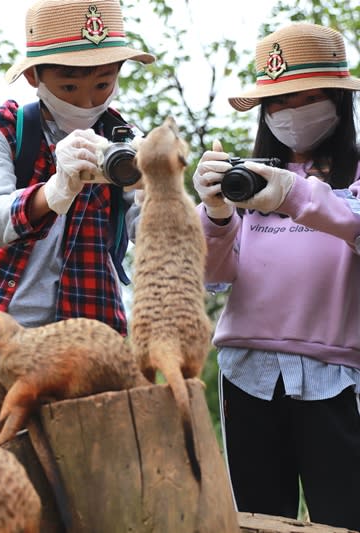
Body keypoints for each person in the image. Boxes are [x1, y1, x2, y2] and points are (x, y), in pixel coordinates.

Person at [192, 23, 360, 530]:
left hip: (335, 373)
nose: (292, 112)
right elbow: (213, 277)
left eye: (309, 98)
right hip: (249, 371)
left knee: (346, 513)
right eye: (280, 102)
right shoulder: (249, 175)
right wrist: (216, 214)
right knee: (256, 517)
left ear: (338, 100)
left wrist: (294, 193)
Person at [0, 0, 154, 333]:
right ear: (34, 76)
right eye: (69, 87)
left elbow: (149, 234)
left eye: (102, 85)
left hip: (90, 328)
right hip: (4, 327)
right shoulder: (2, 130)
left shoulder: (126, 144)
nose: (87, 102)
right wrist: (55, 190)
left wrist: (156, 186)